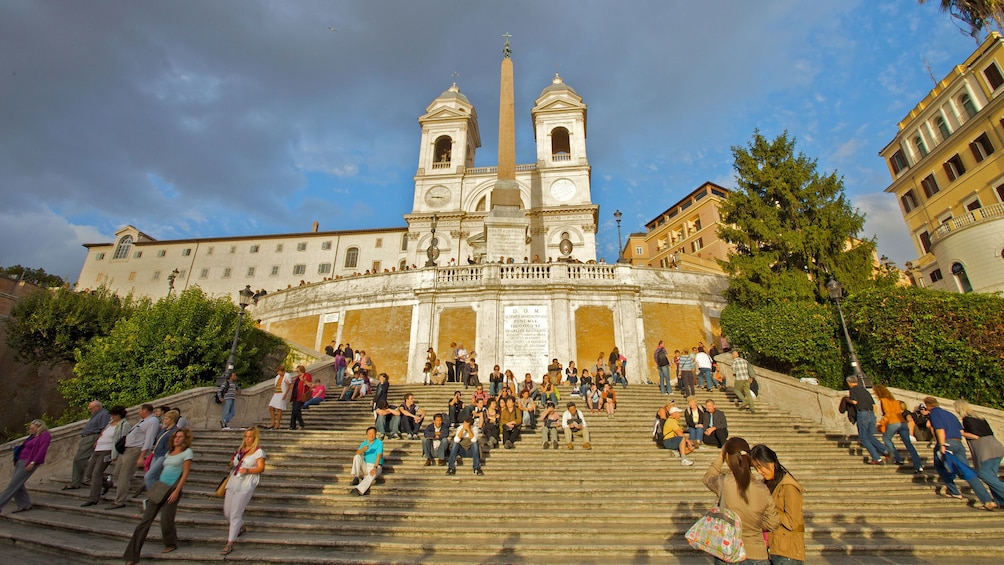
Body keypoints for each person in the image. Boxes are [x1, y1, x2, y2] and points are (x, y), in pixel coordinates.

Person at [702, 437, 780, 565]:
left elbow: (707, 478)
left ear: (728, 458)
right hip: (757, 554)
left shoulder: (724, 482)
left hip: (728, 551)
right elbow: (773, 523)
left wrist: (721, 456)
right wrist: (755, 524)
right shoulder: (763, 488)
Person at [123, 428, 193, 564]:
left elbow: (185, 473)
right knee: (145, 521)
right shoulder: (169, 453)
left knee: (166, 520)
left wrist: (177, 490)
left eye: (180, 437)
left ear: (185, 439)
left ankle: (171, 543)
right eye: (176, 436)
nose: (177, 439)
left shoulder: (187, 452)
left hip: (173, 487)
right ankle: (132, 556)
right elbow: (163, 469)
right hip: (160, 486)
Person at [923, 396, 995, 509]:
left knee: (939, 465)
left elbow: (939, 429)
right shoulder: (950, 414)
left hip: (946, 444)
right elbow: (960, 431)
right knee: (967, 471)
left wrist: (941, 445)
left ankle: (954, 491)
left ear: (927, 405)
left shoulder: (934, 414)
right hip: (958, 444)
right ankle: (986, 499)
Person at [751, 444, 805, 565]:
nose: (759, 472)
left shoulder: (789, 486)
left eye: (760, 467)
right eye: (756, 468)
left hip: (787, 551)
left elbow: (792, 522)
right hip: (770, 547)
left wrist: (769, 511)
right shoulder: (765, 484)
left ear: (771, 462)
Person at [220, 427, 266, 556]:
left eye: (250, 437)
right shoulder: (240, 450)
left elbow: (261, 468)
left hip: (246, 483)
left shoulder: (258, 452)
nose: (247, 439)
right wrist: (231, 464)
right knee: (227, 512)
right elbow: (234, 462)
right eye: (246, 436)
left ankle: (230, 542)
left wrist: (248, 470)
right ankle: (240, 525)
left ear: (255, 438)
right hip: (233, 481)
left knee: (235, 513)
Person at [955, 399, 1004, 508]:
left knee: (983, 474)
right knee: (991, 476)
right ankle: (1000, 501)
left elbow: (975, 436)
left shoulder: (967, 419)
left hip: (986, 450)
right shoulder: (980, 417)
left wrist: (961, 433)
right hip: (996, 446)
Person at [110, 403, 158, 509]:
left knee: (124, 476)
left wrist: (142, 456)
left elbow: (149, 439)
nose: (138, 412)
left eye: (140, 410)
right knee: (117, 473)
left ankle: (120, 501)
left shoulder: (152, 421)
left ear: (145, 410)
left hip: (135, 450)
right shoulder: (143, 421)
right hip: (126, 449)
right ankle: (140, 484)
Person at [0, 419, 51, 515]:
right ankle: (24, 504)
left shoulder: (45, 436)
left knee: (12, 486)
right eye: (30, 428)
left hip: (28, 462)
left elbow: (42, 450)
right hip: (20, 461)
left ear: (39, 428)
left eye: (32, 428)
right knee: (17, 484)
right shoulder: (32, 436)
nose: (30, 430)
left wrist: (33, 462)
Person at [82, 406, 129, 507]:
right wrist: (97, 441)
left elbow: (123, 438)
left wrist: (116, 452)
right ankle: (107, 483)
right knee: (89, 473)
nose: (112, 417)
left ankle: (93, 498)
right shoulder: (109, 424)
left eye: (114, 415)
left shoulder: (123, 424)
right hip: (98, 449)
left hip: (107, 450)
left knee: (97, 473)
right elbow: (103, 433)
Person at [874, 384, 923, 472]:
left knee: (886, 438)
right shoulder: (895, 401)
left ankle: (896, 457)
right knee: (909, 444)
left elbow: (888, 414)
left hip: (893, 423)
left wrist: (881, 423)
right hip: (902, 423)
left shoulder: (884, 400)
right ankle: (918, 465)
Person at [65, 400, 109, 490]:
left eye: (91, 408)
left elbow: (103, 429)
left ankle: (96, 476)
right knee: (77, 460)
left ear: (97, 407)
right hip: (86, 438)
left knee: (79, 458)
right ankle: (76, 482)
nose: (89, 409)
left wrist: (98, 441)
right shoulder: (96, 414)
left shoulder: (103, 414)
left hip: (92, 437)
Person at [845, 376, 889, 465]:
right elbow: (874, 405)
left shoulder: (853, 390)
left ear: (849, 382)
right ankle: (885, 451)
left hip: (863, 414)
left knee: (864, 438)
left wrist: (847, 399)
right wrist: (874, 417)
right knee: (870, 436)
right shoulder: (865, 391)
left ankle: (877, 458)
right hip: (871, 414)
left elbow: (855, 402)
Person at [143, 410, 179, 492]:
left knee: (149, 476)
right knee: (154, 476)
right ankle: (156, 493)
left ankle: (153, 494)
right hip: (156, 453)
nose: (164, 420)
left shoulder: (175, 431)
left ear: (172, 420)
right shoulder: (164, 429)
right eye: (164, 418)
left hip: (164, 455)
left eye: (166, 419)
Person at [349, 427, 383, 495]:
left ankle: (359, 489)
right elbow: (357, 453)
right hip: (366, 465)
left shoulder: (379, 443)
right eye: (369, 434)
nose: (371, 435)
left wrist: (375, 467)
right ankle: (356, 477)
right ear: (366, 435)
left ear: (375, 434)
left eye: (373, 433)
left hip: (375, 465)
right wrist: (363, 449)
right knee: (357, 456)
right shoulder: (364, 443)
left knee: (371, 475)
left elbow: (379, 455)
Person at [289, 365, 312, 430]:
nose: (297, 372)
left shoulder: (307, 376)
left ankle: (301, 423)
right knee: (294, 411)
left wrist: (304, 381)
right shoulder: (297, 377)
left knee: (296, 409)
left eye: (298, 371)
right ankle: (292, 426)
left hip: (301, 396)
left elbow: (310, 385)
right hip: (295, 396)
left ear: (302, 370)